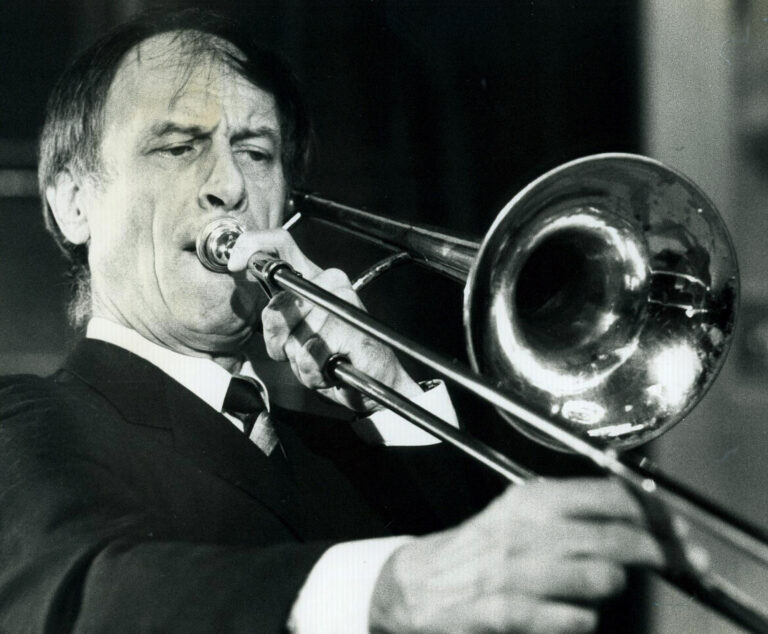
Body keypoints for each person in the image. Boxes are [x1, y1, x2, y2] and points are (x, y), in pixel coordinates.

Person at [0, 9, 698, 633]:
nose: (231, 185)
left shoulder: (344, 450)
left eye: (256, 152)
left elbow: (493, 588)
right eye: (178, 147)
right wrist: (391, 591)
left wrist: (394, 398)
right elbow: (75, 601)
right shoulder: (32, 422)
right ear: (72, 202)